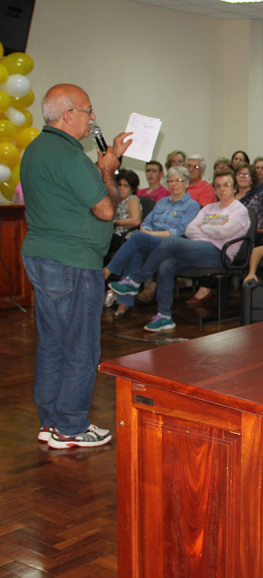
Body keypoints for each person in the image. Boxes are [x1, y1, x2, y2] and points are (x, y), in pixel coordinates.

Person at [20, 83, 132, 448]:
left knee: (53, 343)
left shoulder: (37, 150)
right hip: (72, 262)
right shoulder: (70, 157)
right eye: (88, 110)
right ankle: (70, 426)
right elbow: (104, 209)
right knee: (81, 346)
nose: (93, 117)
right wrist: (108, 171)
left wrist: (109, 157)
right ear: (68, 115)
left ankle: (51, 421)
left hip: (43, 255)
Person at [109, 169, 251, 332]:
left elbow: (223, 233)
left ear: (234, 188)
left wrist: (204, 228)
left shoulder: (239, 210)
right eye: (218, 186)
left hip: (220, 254)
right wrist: (212, 228)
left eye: (226, 185)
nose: (222, 189)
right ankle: (164, 316)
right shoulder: (208, 208)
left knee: (170, 242)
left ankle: (135, 280)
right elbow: (190, 230)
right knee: (166, 265)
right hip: (196, 250)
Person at [103, 166, 201, 316]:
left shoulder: (192, 206)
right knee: (135, 253)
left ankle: (108, 270)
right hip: (152, 241)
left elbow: (180, 231)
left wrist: (152, 234)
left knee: (137, 237)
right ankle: (124, 303)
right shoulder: (162, 202)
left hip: (172, 244)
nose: (174, 184)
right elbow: (147, 222)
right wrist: (148, 232)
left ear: (186, 183)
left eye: (178, 181)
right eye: (170, 181)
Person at [107, 169, 142, 257]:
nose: (121, 188)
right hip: (110, 233)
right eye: (119, 185)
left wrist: (115, 223)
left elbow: (136, 221)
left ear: (132, 189)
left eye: (125, 186)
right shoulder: (115, 199)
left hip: (124, 237)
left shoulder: (132, 199)